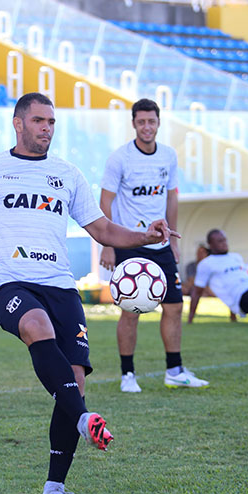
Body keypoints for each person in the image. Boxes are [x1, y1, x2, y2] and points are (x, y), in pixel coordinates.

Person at [0, 93, 178, 494]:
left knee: (74, 380)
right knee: (36, 326)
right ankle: (84, 418)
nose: (47, 128)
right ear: (18, 123)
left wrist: (144, 236)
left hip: (60, 284)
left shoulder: (67, 174)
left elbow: (103, 229)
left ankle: (54, 488)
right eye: (39, 120)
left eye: (52, 122)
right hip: (10, 282)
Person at [98, 98, 208, 394]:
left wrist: (172, 239)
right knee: (131, 310)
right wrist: (107, 244)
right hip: (129, 243)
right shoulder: (120, 158)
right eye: (141, 122)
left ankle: (175, 371)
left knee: (174, 306)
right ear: (134, 124)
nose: (146, 127)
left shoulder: (168, 156)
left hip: (160, 243)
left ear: (159, 123)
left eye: (151, 121)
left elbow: (171, 197)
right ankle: (127, 375)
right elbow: (105, 201)